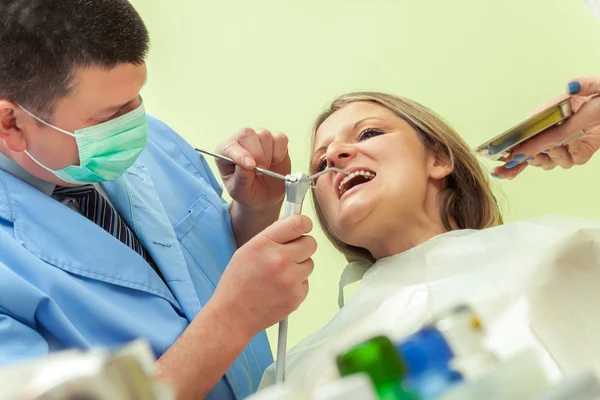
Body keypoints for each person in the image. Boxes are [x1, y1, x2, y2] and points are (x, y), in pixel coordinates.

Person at [0, 1, 317, 399]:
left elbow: (195, 279)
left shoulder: (151, 141)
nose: (135, 122)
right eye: (109, 115)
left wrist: (254, 211)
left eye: (137, 98)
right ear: (11, 123)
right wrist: (230, 322)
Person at [259, 82, 600, 390]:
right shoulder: (298, 374)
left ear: (437, 159)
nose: (333, 156)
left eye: (367, 134)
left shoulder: (568, 248)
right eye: (320, 165)